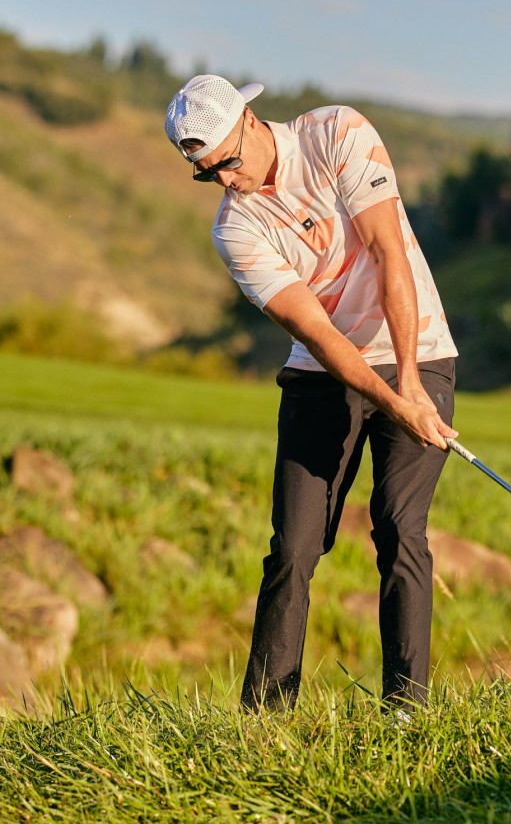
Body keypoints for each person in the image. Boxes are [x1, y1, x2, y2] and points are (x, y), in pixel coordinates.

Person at [164, 74, 459, 712]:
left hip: (419, 349)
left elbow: (387, 252)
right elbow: (319, 331)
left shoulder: (336, 134)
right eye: (206, 173)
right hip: (322, 372)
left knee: (398, 526)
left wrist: (407, 383)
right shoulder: (235, 230)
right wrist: (388, 401)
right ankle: (266, 717)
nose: (224, 181)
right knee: (294, 544)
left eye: (228, 162)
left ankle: (407, 713)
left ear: (249, 120)